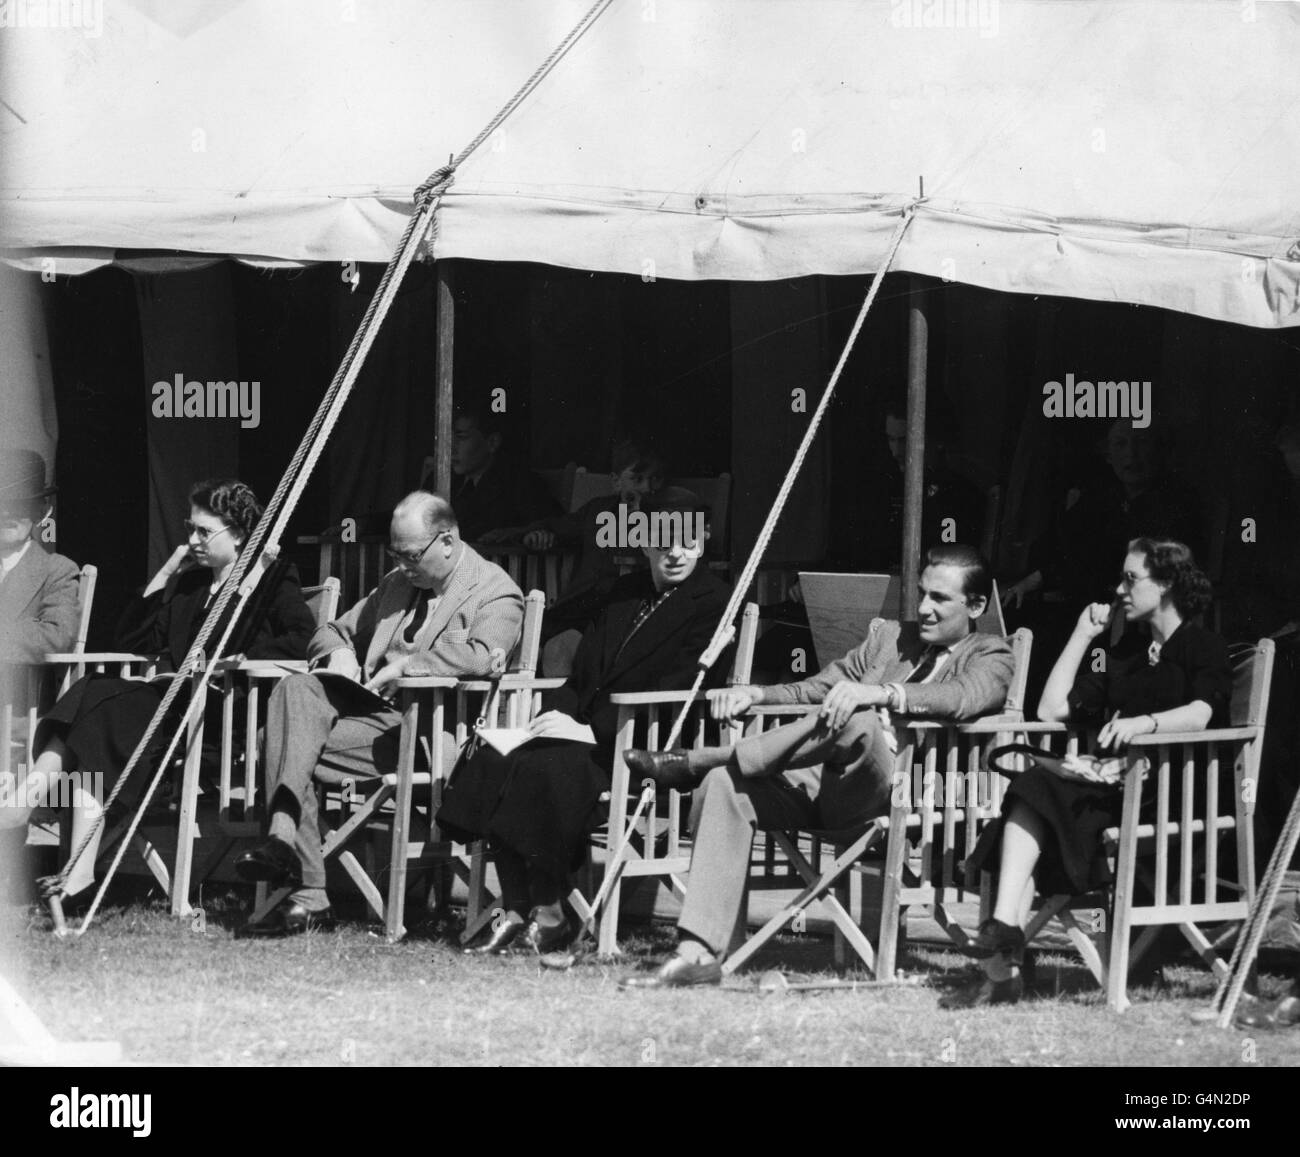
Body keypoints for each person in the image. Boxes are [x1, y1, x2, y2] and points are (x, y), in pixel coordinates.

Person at [620, 543, 1015, 988]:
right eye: (922, 593)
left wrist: (881, 693)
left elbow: (961, 698)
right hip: (823, 786)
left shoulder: (991, 654)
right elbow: (819, 687)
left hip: (895, 798)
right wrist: (758, 694)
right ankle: (698, 955)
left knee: (858, 716)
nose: (923, 608)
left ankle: (695, 761)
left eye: (940, 599)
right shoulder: (891, 638)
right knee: (724, 786)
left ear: (977, 605)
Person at [439, 488, 729, 956]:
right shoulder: (623, 593)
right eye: (663, 539)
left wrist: (591, 730)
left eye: (689, 539)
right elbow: (584, 673)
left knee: (543, 769)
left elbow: (681, 690)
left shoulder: (713, 601)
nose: (675, 552)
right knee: (497, 752)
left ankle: (550, 913)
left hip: (644, 743)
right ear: (643, 540)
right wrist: (556, 715)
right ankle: (516, 907)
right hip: (587, 735)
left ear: (706, 537)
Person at [1, 479, 316, 897]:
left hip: (219, 712)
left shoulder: (270, 579)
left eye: (205, 532)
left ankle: (32, 811)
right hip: (169, 704)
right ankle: (67, 859)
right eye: (190, 529)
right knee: (93, 704)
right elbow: (132, 640)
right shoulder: (191, 587)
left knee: (99, 706)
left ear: (240, 533)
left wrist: (239, 661)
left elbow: (301, 637)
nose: (193, 540)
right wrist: (168, 572)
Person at [236, 492, 524, 936]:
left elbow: (485, 656)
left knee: (274, 742)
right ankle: (283, 846)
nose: (404, 565)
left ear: (447, 541)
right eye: (397, 555)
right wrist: (339, 654)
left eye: (411, 555)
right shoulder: (396, 585)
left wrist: (410, 666)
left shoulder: (495, 590)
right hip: (373, 724)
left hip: (431, 734)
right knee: (296, 689)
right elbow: (330, 630)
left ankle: (305, 886)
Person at [961, 537, 1230, 1007]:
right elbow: (1051, 708)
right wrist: (1082, 636)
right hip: (1115, 793)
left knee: (1036, 794)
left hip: (1172, 794)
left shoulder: (1201, 646)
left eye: (1131, 578)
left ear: (1166, 584)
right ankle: (1005, 930)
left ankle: (1005, 950)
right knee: (1038, 785)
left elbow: (1202, 714)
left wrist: (1141, 727)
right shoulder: (1127, 656)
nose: (1120, 589)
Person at [483, 440, 668, 674]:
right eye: (637, 479)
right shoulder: (598, 510)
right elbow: (559, 527)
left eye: (656, 479)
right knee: (517, 643)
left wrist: (640, 518)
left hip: (618, 608)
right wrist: (534, 535)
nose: (648, 488)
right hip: (577, 603)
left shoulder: (665, 516)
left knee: (558, 649)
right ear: (616, 482)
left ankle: (557, 709)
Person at [0, 450, 80, 742]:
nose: (8, 514)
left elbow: (57, 636)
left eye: (21, 505)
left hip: (16, 715)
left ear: (41, 510)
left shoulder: (56, 570)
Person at [423, 405, 558, 542]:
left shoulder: (519, 483)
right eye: (447, 437)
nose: (450, 447)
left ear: (492, 442)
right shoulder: (439, 478)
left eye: (461, 437)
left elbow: (547, 525)